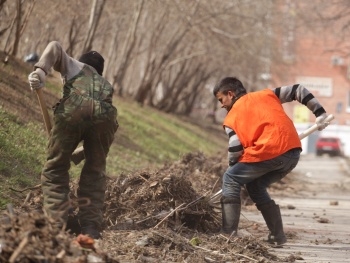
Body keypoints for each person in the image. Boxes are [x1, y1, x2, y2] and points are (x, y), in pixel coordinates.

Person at [213, 77, 329, 245]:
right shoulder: (268, 95)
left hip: (268, 152)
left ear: (230, 94)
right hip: (292, 153)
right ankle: (277, 236)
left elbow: (235, 148)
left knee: (230, 178)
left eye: (221, 99)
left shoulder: (231, 119)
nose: (222, 105)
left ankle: (228, 234)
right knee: (255, 186)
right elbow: (298, 90)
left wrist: (234, 167)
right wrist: (319, 113)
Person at [28, 41, 119, 239]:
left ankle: (56, 222)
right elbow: (99, 133)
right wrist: (78, 152)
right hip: (106, 117)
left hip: (73, 111)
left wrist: (41, 71)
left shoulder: (74, 66)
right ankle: (90, 227)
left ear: (81, 61)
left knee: (55, 169)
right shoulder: (105, 85)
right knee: (95, 171)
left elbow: (54, 46)